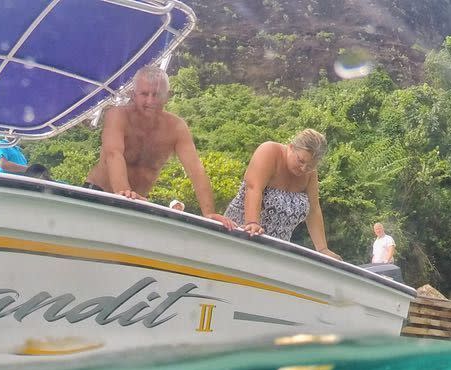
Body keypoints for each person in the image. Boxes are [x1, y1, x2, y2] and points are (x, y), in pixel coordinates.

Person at [85, 66, 233, 229]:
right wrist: (123, 192)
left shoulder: (176, 128)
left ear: (167, 97)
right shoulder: (117, 115)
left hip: (136, 203)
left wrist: (209, 213)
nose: (150, 101)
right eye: (144, 94)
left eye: (156, 95)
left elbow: (196, 170)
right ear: (133, 95)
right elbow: (113, 154)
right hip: (100, 193)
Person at [224, 129, 341, 259]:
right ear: (291, 147)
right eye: (301, 161)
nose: (303, 169)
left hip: (277, 250)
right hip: (241, 233)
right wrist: (252, 223)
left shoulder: (310, 173)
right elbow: (253, 188)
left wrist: (322, 249)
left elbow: (313, 210)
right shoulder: (269, 151)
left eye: (310, 166)